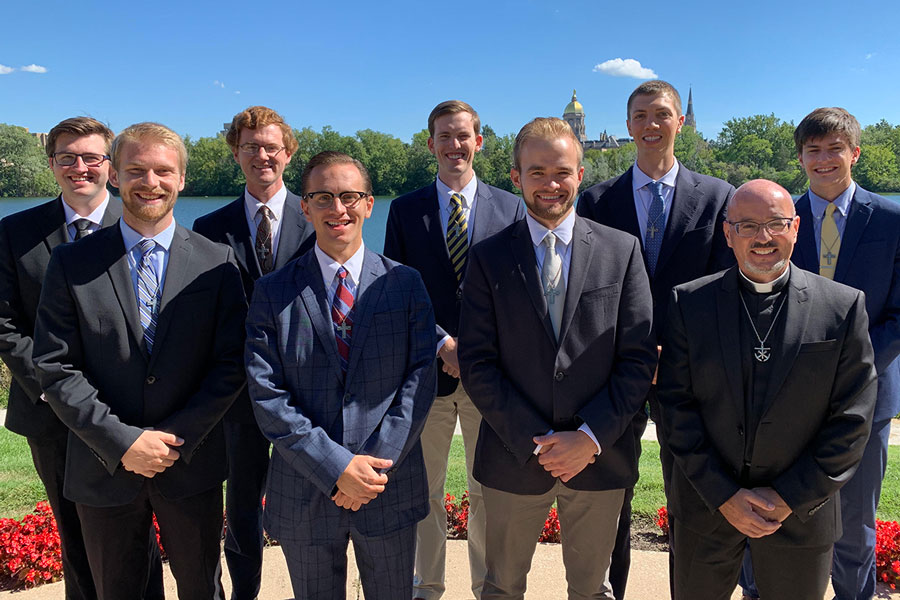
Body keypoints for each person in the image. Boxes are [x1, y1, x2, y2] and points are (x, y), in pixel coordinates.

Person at [33, 122, 247, 600]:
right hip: (103, 467)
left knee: (202, 590)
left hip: (189, 467)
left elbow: (231, 363)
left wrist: (174, 439)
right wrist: (123, 442)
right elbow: (55, 365)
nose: (150, 182)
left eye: (163, 171)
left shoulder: (217, 262)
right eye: (136, 170)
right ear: (114, 176)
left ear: (183, 179)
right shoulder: (71, 263)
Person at [458, 117, 656, 600]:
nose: (551, 184)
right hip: (513, 456)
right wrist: (539, 442)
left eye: (562, 171)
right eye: (538, 171)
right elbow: (478, 362)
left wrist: (588, 437)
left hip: (599, 456)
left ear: (581, 174)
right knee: (500, 589)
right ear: (515, 176)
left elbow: (636, 359)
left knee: (593, 592)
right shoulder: (486, 257)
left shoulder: (622, 250)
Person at [657, 179, 877, 600]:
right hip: (707, 509)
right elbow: (674, 408)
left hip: (799, 514)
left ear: (795, 228)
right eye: (748, 225)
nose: (763, 238)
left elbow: (852, 419)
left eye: (776, 224)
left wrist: (787, 497)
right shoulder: (689, 304)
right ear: (727, 233)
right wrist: (724, 495)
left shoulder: (843, 306)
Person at [245, 151, 437, 599]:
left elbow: (420, 379)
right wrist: (335, 468)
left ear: (369, 204)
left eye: (350, 196)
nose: (338, 209)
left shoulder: (406, 284)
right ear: (304, 206)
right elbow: (267, 394)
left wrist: (368, 470)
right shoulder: (272, 292)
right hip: (305, 489)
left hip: (386, 486)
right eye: (324, 197)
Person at [576, 79, 734, 599]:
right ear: (627, 126)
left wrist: (678, 352)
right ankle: (610, 591)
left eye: (661, 114)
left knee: (689, 496)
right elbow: (588, 292)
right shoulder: (597, 201)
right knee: (610, 496)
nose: (651, 125)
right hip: (615, 371)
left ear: (679, 122)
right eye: (640, 116)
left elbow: (722, 290)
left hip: (689, 376)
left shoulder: (717, 198)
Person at [0, 116, 163, 600]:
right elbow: (6, 325)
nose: (80, 167)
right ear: (51, 164)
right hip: (50, 416)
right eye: (67, 157)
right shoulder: (14, 233)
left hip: (127, 417)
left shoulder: (142, 224)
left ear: (110, 167)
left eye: (92, 157)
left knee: (141, 535)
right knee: (74, 538)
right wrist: (57, 389)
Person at [383, 99, 524, 600]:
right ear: (431, 145)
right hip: (428, 373)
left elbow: (518, 293)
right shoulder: (404, 211)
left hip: (492, 376)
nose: (454, 145)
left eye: (463, 135)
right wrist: (442, 341)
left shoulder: (512, 207)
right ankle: (428, 586)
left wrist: (479, 350)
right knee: (424, 491)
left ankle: (488, 585)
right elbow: (398, 293)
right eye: (444, 135)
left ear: (478, 142)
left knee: (489, 490)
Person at [192, 105, 314, 600]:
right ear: (235, 153)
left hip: (305, 391)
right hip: (236, 396)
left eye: (270, 146)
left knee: (309, 501)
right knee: (242, 505)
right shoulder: (207, 226)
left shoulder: (318, 214)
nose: (261, 155)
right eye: (250, 146)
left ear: (287, 153)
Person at [790, 107, 900, 600]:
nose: (824, 159)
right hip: (790, 395)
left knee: (855, 518)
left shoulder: (894, 221)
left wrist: (850, 363)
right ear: (800, 159)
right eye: (813, 150)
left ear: (855, 152)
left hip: (868, 393)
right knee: (786, 508)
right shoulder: (780, 220)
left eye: (835, 148)